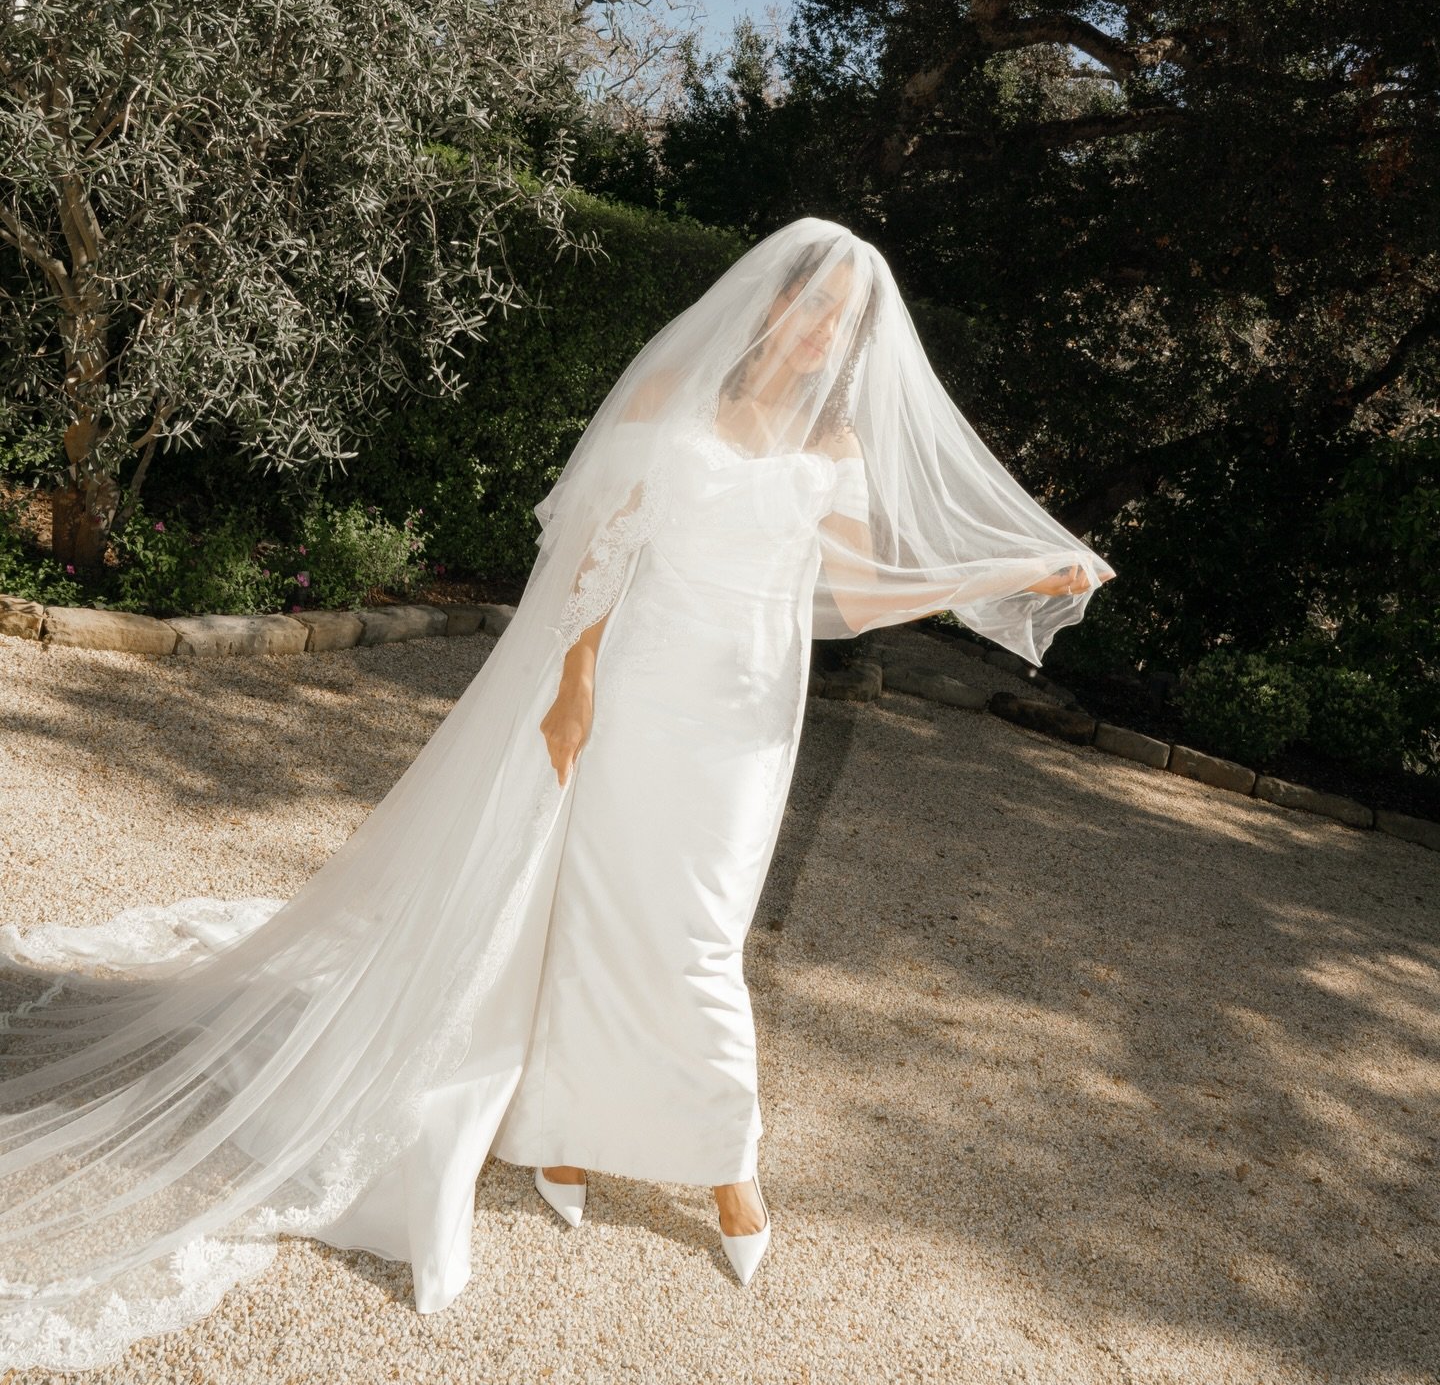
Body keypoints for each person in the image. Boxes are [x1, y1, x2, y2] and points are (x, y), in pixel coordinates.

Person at [0, 217, 1111, 1371]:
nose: (824, 327)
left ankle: (696, 1149)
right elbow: (596, 545)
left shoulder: (836, 444)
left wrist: (1007, 569)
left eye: (847, 314)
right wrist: (574, 680)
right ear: (773, 299)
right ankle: (610, 1144)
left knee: (697, 929)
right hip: (636, 686)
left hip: (742, 715)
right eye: (812, 300)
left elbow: (866, 593)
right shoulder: (679, 390)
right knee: (595, 904)